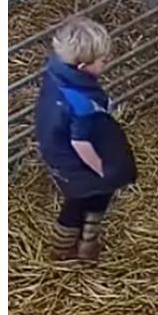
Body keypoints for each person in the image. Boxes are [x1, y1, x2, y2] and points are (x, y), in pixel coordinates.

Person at [34, 16, 137, 262]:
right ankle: (68, 250)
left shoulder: (56, 73)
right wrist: (101, 170)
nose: (106, 62)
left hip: (55, 147)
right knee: (85, 199)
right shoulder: (81, 103)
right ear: (82, 67)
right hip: (77, 161)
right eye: (102, 60)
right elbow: (80, 143)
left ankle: (84, 243)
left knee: (88, 197)